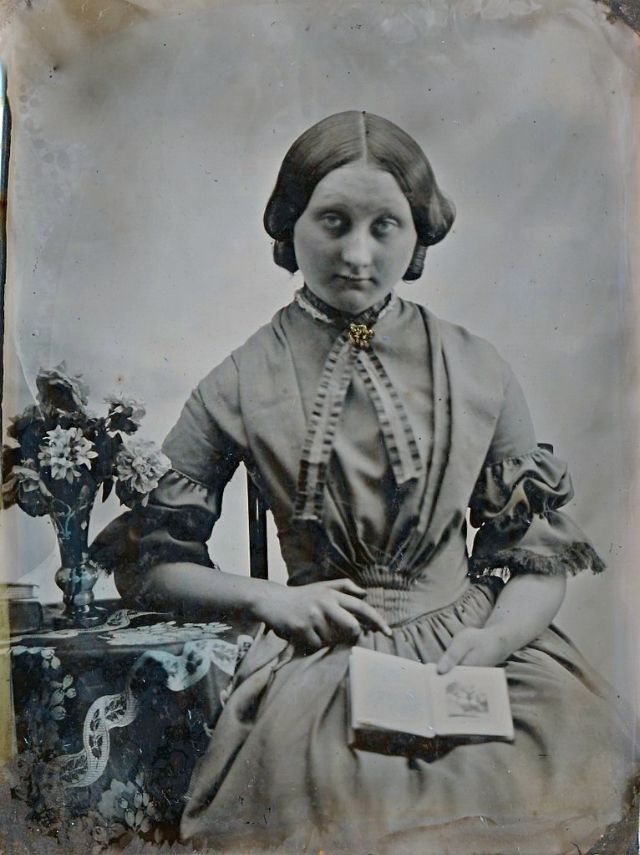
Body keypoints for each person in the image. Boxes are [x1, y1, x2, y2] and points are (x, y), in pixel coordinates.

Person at [101, 111, 635, 854]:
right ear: (291, 227)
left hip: (478, 652)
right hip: (326, 668)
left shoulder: (478, 368)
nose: (357, 254)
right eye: (333, 221)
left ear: (418, 235)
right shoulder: (240, 379)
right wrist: (270, 599)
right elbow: (152, 563)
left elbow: (536, 560)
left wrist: (497, 637)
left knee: (568, 790)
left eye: (386, 225)